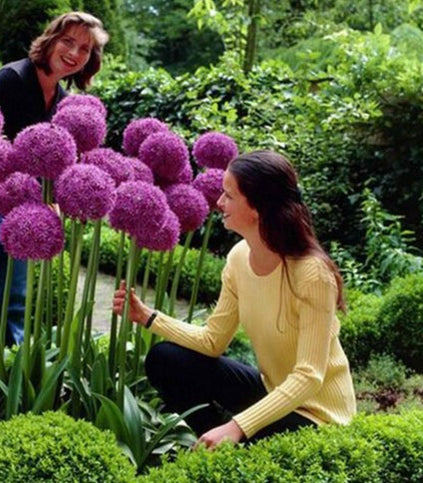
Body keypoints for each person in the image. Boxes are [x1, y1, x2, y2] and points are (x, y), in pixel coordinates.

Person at [112, 150, 356, 449]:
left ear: (257, 207)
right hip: (273, 393)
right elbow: (213, 341)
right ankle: (222, 447)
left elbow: (308, 377)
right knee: (166, 360)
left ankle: (233, 442)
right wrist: (149, 317)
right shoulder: (239, 258)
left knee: (254, 429)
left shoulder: (312, 274)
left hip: (318, 417)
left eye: (229, 195)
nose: (219, 203)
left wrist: (238, 425)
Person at [0, 11, 109, 346]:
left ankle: (13, 367)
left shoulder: (63, 102)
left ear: (89, 60)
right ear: (50, 39)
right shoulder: (11, 79)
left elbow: (55, 163)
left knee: (15, 295)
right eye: (68, 41)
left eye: (84, 49)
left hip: (22, 201)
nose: (74, 53)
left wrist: (53, 199)